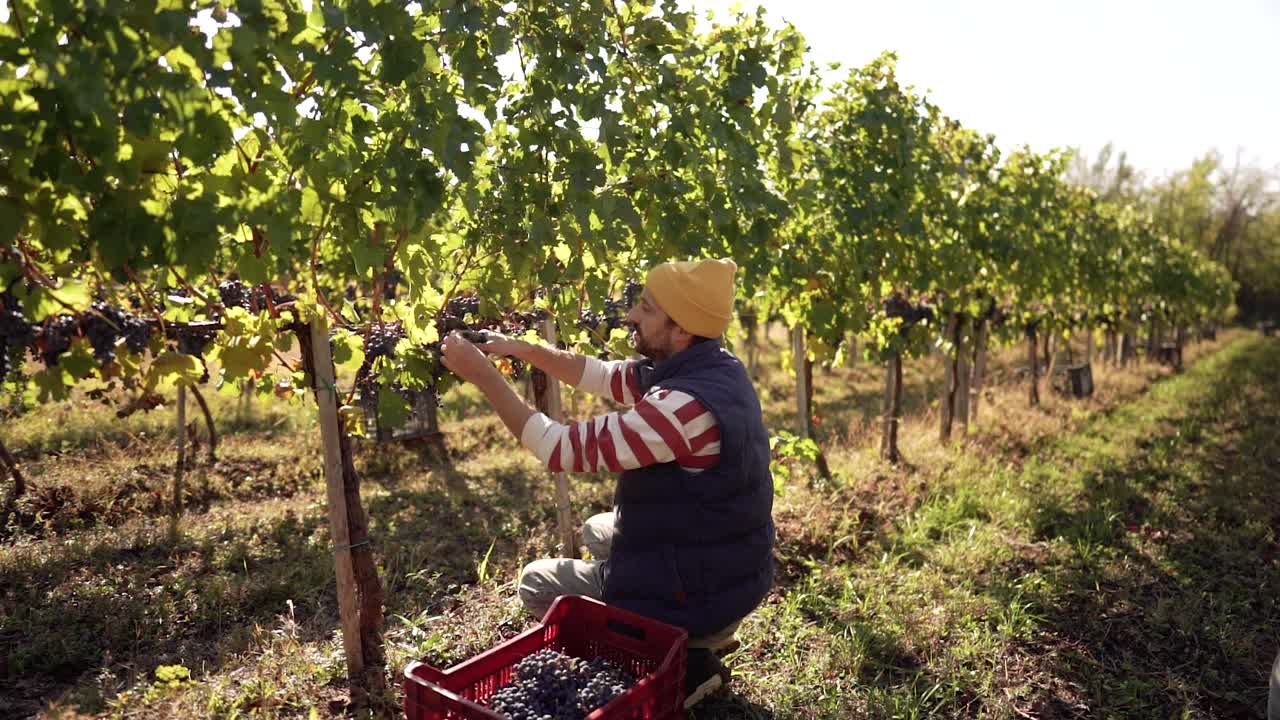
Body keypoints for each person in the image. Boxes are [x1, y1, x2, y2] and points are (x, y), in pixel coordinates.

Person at [439, 258, 775, 709]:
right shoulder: (713, 367)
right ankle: (688, 638)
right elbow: (599, 374)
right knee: (600, 527)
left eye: (648, 309)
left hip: (703, 593)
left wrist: (484, 375)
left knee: (535, 584)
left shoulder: (681, 410)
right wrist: (520, 348)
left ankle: (681, 658)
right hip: (731, 567)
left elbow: (557, 448)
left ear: (681, 331)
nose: (633, 315)